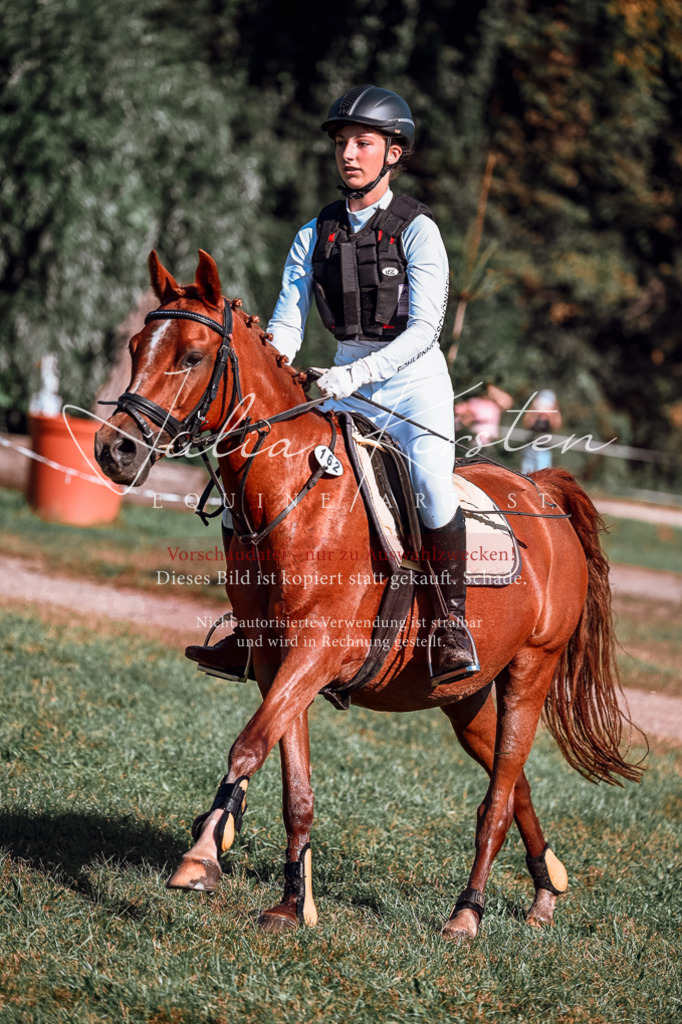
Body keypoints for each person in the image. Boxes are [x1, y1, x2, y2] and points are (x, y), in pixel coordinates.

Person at [187, 85, 478, 684]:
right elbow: (287, 322)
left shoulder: (420, 230)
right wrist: (281, 366)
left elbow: (425, 330)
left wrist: (357, 372)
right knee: (251, 488)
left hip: (411, 382)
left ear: (393, 152)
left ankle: (451, 626)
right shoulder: (311, 233)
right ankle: (249, 628)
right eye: (342, 142)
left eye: (363, 143)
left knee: (430, 488)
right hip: (342, 377)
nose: (349, 153)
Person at [455, 382, 513, 450]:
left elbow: (507, 401)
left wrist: (492, 389)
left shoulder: (493, 407)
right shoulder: (476, 402)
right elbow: (463, 411)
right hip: (472, 439)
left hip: (481, 442)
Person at [520, 389, 562, 475]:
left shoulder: (552, 416)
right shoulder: (534, 414)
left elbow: (557, 425)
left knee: (543, 476)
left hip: (544, 450)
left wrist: (552, 411)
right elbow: (526, 422)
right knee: (525, 475)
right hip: (530, 448)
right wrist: (535, 410)